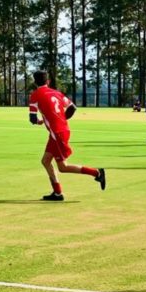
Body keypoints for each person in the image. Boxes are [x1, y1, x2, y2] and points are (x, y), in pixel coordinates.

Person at [29, 70, 105, 201]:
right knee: (45, 161)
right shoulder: (56, 93)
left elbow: (32, 118)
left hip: (57, 134)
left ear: (35, 83)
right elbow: (72, 107)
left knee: (63, 167)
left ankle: (97, 173)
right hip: (60, 131)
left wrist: (39, 121)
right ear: (48, 81)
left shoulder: (35, 95)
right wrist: (61, 118)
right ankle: (57, 193)